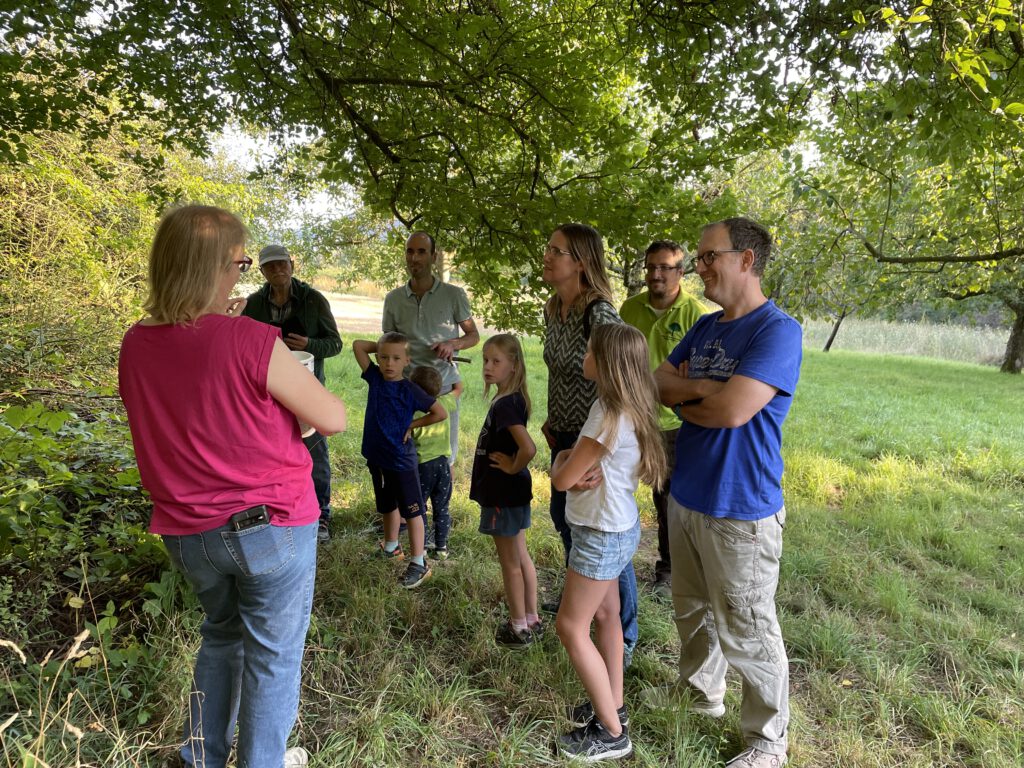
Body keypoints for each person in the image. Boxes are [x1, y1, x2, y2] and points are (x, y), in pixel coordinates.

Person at [118, 205, 347, 768]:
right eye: (241, 263)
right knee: (273, 655)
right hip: (269, 527)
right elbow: (333, 417)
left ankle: (200, 756)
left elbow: (191, 412)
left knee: (221, 635)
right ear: (215, 266)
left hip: (186, 533)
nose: (242, 275)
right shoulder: (249, 339)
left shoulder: (135, 343)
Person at [649, 217, 802, 768]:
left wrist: (693, 397)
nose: (699, 267)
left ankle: (767, 741)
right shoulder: (707, 327)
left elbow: (733, 410)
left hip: (741, 507)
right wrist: (699, 389)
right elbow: (658, 383)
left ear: (746, 260)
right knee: (692, 610)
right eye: (699, 256)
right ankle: (701, 695)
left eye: (709, 255)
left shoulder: (777, 331)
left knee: (748, 625)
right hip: (686, 495)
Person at [551, 323, 666, 762]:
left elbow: (562, 478)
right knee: (607, 616)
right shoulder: (628, 406)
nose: (584, 355)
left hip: (599, 533)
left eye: (589, 350)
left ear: (607, 362)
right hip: (617, 527)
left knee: (570, 625)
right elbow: (573, 473)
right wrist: (568, 465)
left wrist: (561, 461)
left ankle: (613, 734)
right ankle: (612, 706)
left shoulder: (607, 415)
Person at [540, 222, 639, 666]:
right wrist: (551, 418)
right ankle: (584, 601)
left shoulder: (598, 314)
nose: (546, 256)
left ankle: (624, 634)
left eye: (555, 251)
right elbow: (562, 373)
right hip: (563, 433)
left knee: (604, 534)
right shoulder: (551, 308)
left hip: (594, 443)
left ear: (580, 262)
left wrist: (597, 447)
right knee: (571, 523)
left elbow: (622, 370)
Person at [619, 240, 708, 598]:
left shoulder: (697, 316)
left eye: (665, 268)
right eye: (651, 266)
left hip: (672, 424)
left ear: (680, 272)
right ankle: (615, 560)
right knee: (618, 485)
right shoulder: (629, 308)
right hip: (630, 417)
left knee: (667, 497)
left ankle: (668, 569)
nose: (656, 274)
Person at [242, 244, 343, 542]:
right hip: (265, 389)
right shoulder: (253, 304)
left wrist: (309, 344)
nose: (277, 270)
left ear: (292, 265)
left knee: (315, 450)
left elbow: (335, 344)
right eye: (270, 266)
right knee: (268, 450)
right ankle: (276, 510)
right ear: (262, 272)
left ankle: (322, 514)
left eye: (281, 264)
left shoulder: (313, 300)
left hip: (306, 387)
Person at [352, 332, 447, 589]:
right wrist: (382, 346)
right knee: (387, 504)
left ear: (407, 360)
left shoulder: (410, 390)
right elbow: (358, 346)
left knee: (412, 511)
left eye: (396, 358)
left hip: (401, 460)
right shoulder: (375, 377)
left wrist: (413, 424)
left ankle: (419, 562)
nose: (389, 363)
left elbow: (440, 412)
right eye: (383, 357)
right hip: (377, 455)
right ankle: (392, 546)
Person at [382, 231, 480, 464]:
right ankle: (408, 501)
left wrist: (452, 344)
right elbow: (387, 342)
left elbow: (473, 335)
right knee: (404, 452)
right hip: (404, 387)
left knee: (445, 456)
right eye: (410, 251)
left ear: (434, 257)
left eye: (421, 252)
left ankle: (442, 501)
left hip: (443, 387)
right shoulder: (394, 299)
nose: (414, 258)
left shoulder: (453, 295)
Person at [470, 334, 539, 649]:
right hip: (512, 493)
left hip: (503, 493)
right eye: (485, 360)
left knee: (510, 562)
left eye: (496, 361)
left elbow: (527, 447)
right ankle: (532, 617)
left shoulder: (507, 404)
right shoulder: (510, 399)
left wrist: (513, 466)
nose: (488, 366)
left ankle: (518, 627)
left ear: (513, 366)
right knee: (520, 555)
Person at [408, 366, 459, 559]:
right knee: (442, 507)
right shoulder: (444, 403)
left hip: (422, 467)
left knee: (420, 507)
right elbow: (458, 389)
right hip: (443, 465)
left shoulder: (414, 413)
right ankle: (441, 548)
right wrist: (452, 368)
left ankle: (423, 544)